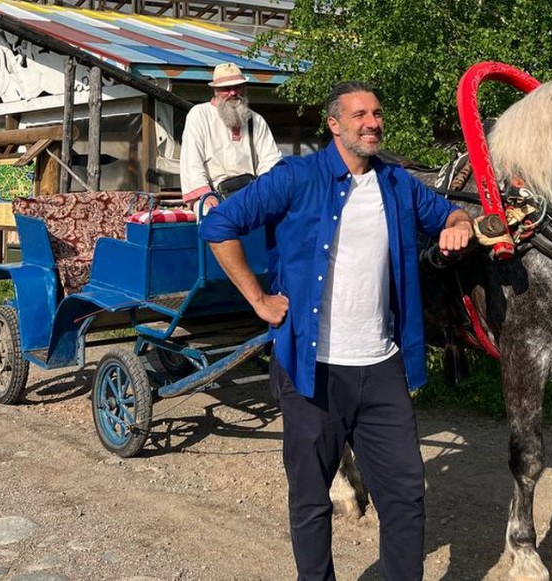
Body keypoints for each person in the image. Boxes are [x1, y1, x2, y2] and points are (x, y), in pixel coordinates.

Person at [200, 81, 473, 580]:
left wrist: (458, 223)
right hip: (312, 369)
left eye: (377, 113)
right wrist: (258, 299)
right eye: (360, 115)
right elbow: (219, 225)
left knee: (406, 494)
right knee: (310, 500)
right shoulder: (295, 178)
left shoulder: (397, 182)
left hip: (382, 367)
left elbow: (450, 213)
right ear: (335, 125)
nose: (373, 122)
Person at [179, 62, 282, 206]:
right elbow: (191, 161)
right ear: (215, 90)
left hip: (251, 193)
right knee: (214, 217)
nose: (233, 93)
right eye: (226, 88)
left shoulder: (255, 119)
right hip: (213, 194)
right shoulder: (200, 115)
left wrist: (263, 191)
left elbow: (271, 160)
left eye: (237, 87)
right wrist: (205, 196)